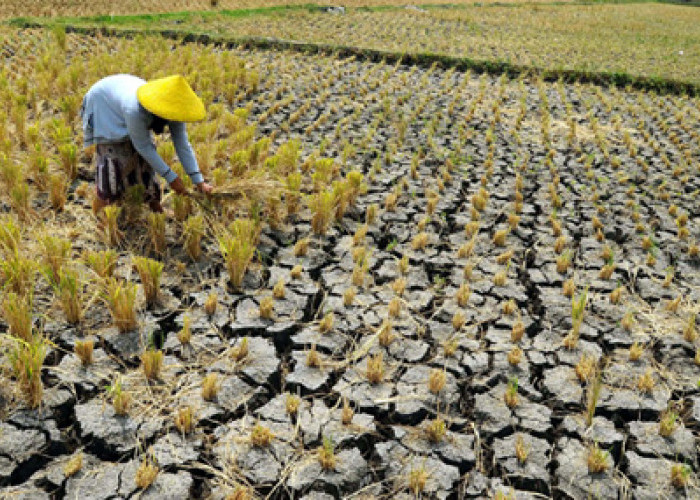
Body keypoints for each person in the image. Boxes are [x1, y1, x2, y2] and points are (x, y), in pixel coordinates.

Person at [81, 74, 213, 214]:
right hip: (104, 105)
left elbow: (182, 144)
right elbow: (143, 146)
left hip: (122, 95)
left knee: (145, 166)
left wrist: (199, 181)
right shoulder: (135, 109)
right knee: (112, 167)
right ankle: (102, 217)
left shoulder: (174, 107)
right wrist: (171, 178)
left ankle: (155, 209)